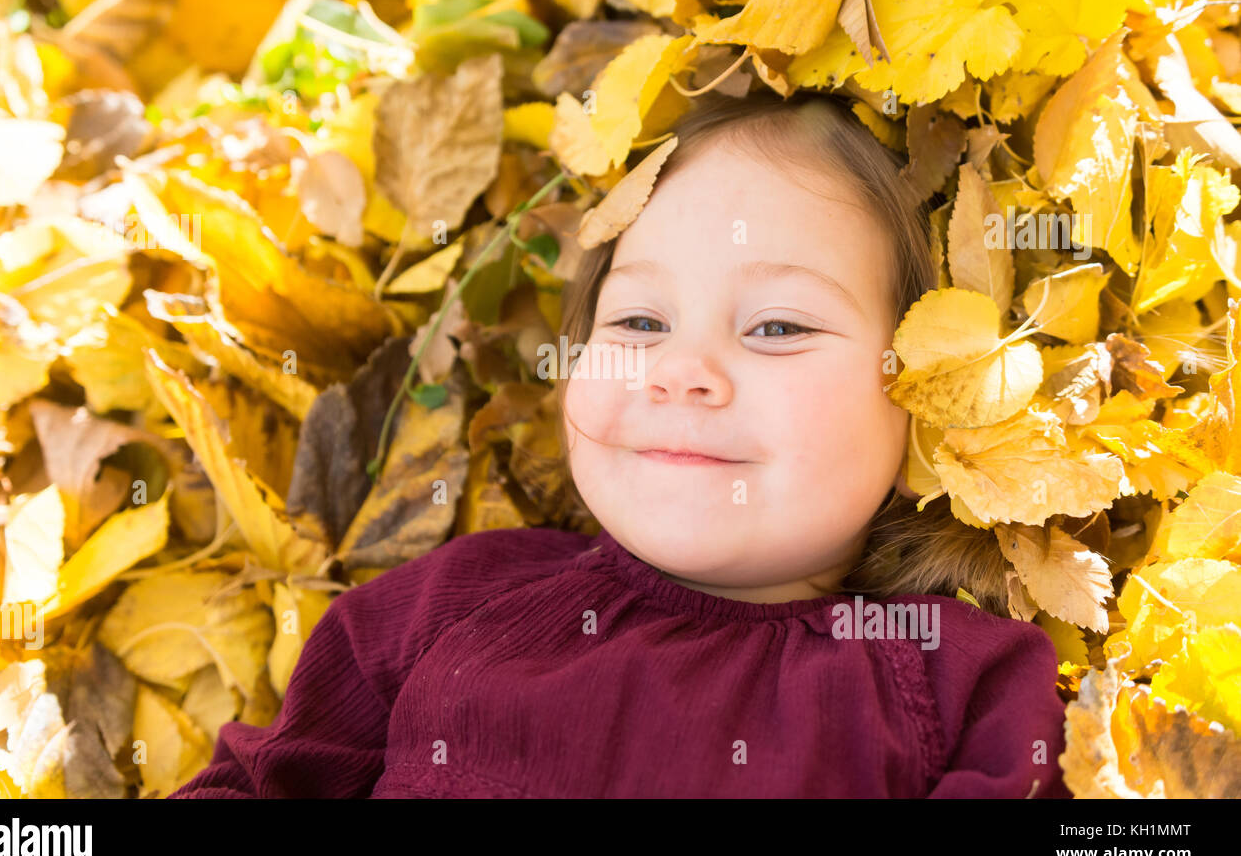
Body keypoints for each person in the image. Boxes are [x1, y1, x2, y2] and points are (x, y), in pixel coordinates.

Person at [168, 89, 1072, 799]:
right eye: (640, 319)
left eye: (779, 327)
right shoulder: (449, 607)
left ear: (928, 394)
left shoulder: (952, 679)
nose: (681, 372)